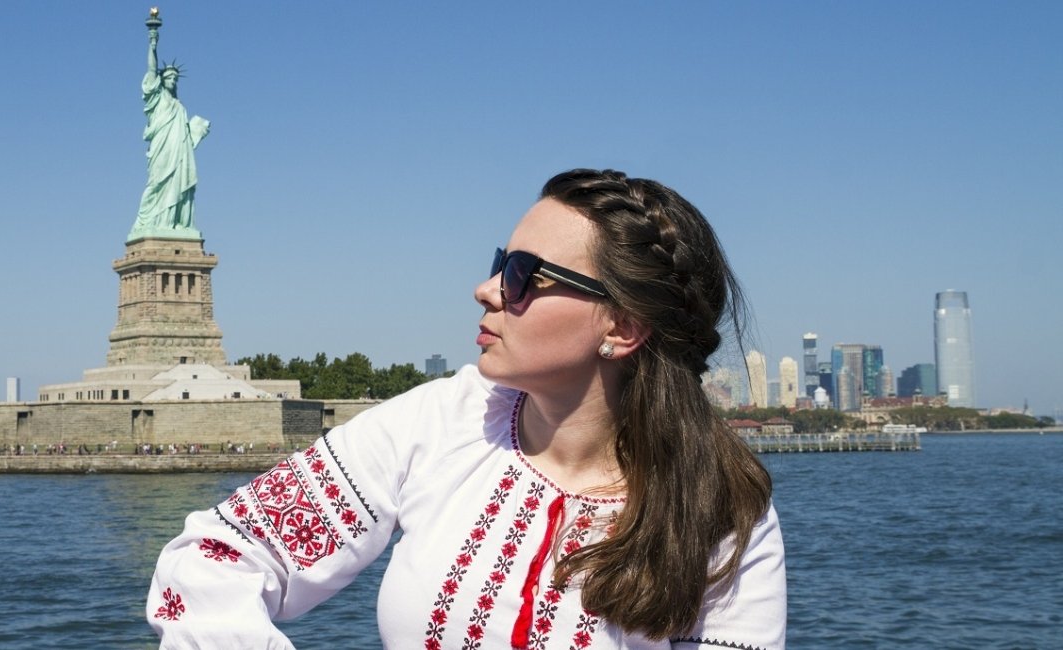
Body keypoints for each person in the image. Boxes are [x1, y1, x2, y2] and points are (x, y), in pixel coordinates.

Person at [147, 169, 786, 649]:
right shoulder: (444, 420)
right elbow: (216, 554)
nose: (486, 290)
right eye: (498, 264)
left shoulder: (721, 506)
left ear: (621, 326)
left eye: (524, 275)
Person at [129, 22, 210, 240]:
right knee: (157, 183)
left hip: (180, 152)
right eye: (169, 78)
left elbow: (186, 136)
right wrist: (153, 43)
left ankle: (175, 223)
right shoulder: (156, 98)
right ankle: (148, 221)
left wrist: (197, 131)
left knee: (180, 184)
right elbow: (151, 69)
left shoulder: (179, 106)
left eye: (175, 79)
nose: (172, 81)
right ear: (162, 80)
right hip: (162, 148)